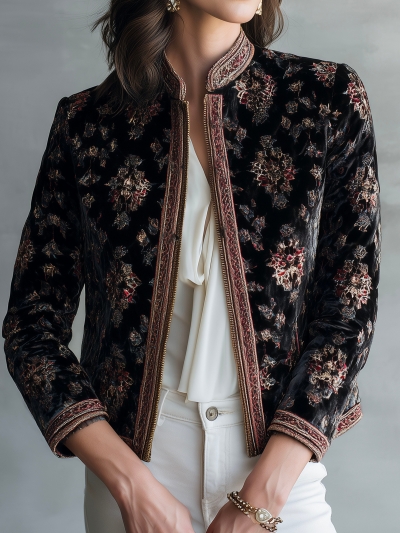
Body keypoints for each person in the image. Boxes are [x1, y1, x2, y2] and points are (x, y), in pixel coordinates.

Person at [2, 1, 381, 532]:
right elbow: (31, 326)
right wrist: (130, 486)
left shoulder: (326, 99)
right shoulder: (86, 124)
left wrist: (265, 493)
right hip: (136, 478)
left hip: (278, 473)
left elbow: (349, 310)